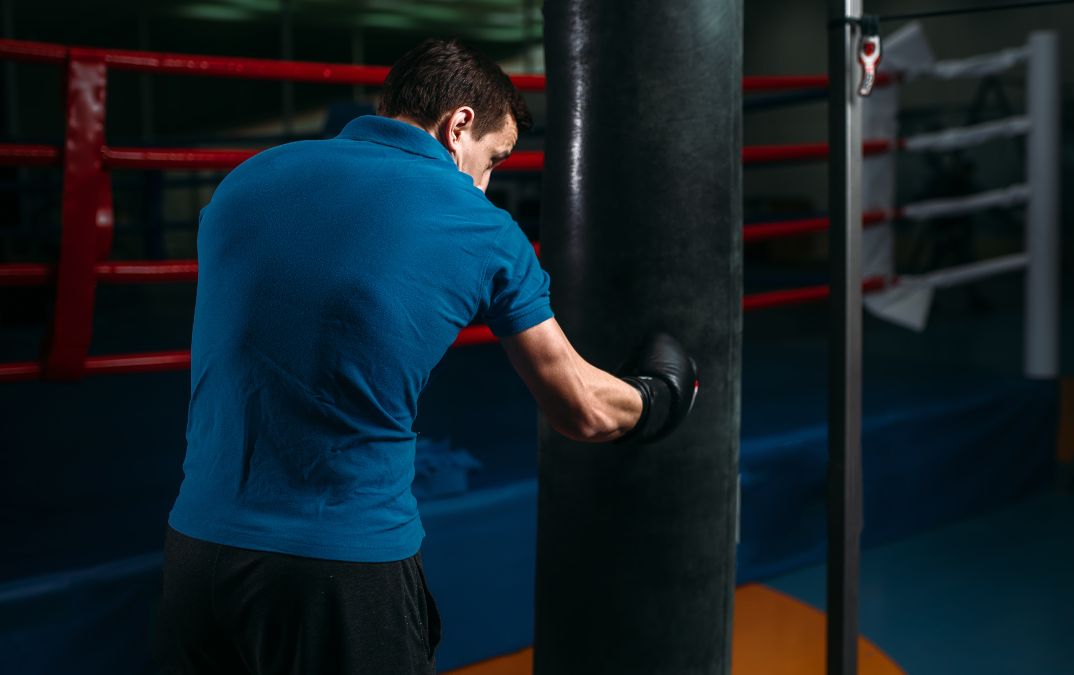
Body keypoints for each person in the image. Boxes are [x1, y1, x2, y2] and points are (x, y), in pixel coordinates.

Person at [157, 38, 697, 675]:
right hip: (340, 565)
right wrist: (661, 397)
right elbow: (583, 410)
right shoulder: (479, 225)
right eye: (492, 159)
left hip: (195, 556)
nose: (486, 184)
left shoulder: (248, 178)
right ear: (458, 124)